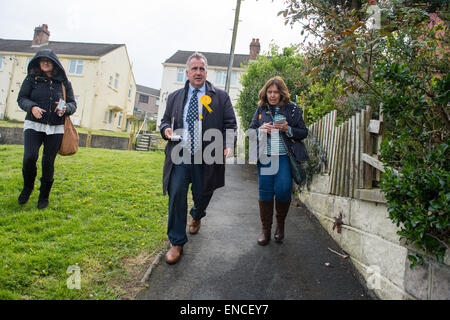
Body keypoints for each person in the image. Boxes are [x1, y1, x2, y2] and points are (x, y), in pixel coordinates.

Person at [159, 52, 237, 264]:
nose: (198, 72)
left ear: (206, 72)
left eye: (202, 68)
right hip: (180, 154)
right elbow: (165, 121)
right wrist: (166, 129)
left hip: (207, 156)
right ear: (187, 73)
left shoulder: (220, 97)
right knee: (176, 194)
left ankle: (197, 214)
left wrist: (228, 144)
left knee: (204, 194)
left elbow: (230, 124)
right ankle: (176, 242)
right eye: (194, 68)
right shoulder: (175, 97)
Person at [249, 76, 309, 245]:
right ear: (265, 93)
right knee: (265, 192)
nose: (272, 95)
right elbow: (251, 130)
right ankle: (265, 229)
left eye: (276, 92)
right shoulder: (261, 109)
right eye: (269, 92)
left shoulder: (293, 110)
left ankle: (280, 225)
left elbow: (303, 132)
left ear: (282, 93)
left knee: (283, 189)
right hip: (265, 157)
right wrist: (261, 129)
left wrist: (288, 129)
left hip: (284, 157)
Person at [17, 49, 77, 209]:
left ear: (55, 63)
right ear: (37, 62)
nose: (45, 63)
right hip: (33, 125)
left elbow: (72, 104)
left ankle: (44, 197)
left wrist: (66, 108)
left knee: (48, 162)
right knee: (29, 157)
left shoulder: (64, 83)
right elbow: (22, 98)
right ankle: (27, 187)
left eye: (48, 60)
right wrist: (32, 107)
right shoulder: (31, 79)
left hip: (56, 128)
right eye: (41, 60)